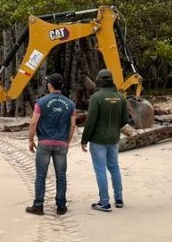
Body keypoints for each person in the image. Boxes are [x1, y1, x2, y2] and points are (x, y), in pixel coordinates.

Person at [26, 73, 76, 216]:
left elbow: (34, 122)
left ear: (49, 86)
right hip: (61, 144)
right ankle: (61, 206)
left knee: (41, 175)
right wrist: (67, 141)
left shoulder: (41, 102)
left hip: (44, 143)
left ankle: (38, 205)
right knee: (61, 175)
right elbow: (73, 126)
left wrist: (31, 140)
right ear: (62, 86)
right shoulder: (70, 104)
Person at [81, 69, 129, 212]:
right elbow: (125, 119)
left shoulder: (97, 97)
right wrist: (114, 129)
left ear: (99, 80)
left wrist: (84, 140)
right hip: (114, 138)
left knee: (101, 170)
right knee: (114, 167)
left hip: (98, 140)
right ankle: (119, 199)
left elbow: (90, 121)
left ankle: (104, 202)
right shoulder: (120, 97)